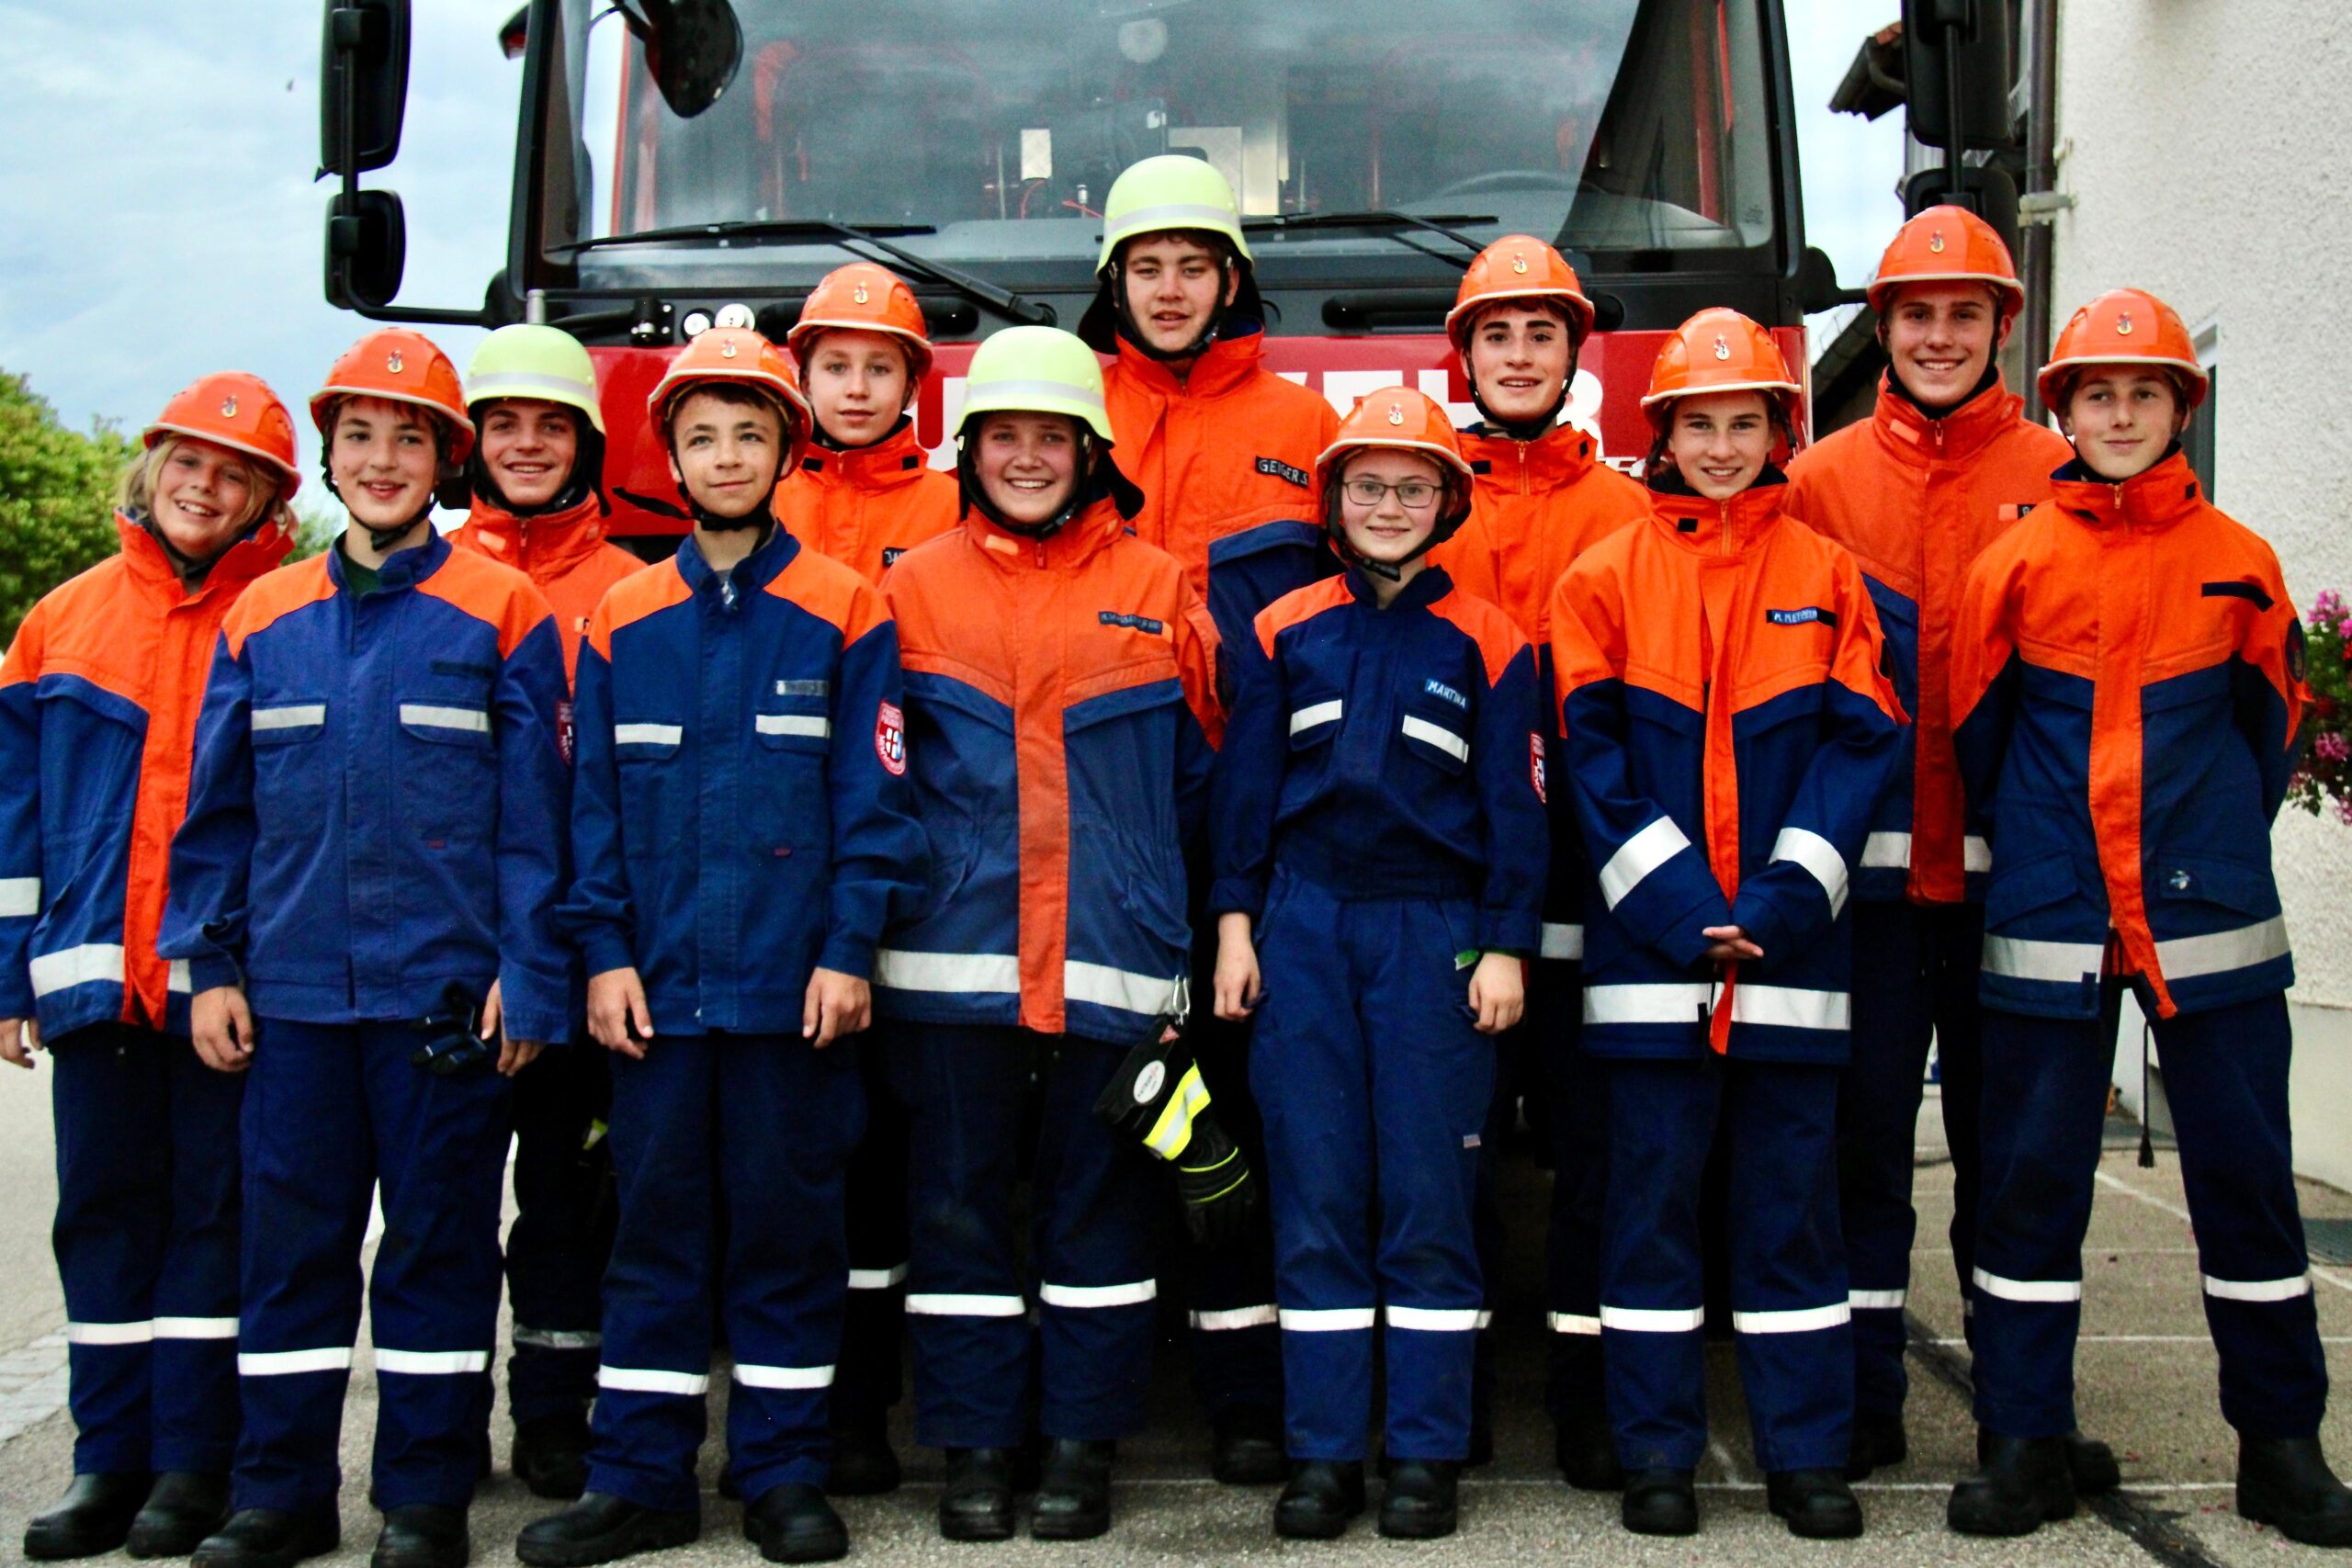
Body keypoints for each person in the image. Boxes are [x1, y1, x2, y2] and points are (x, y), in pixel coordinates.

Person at [161, 329, 573, 1568]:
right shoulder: (262, 610)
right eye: (360, 436)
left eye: (410, 438)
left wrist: (528, 972)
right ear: (330, 456)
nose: (383, 458)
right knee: (289, 1251)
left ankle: (425, 1497)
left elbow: (534, 823)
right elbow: (217, 816)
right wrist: (211, 965)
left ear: (448, 461)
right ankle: (279, 1494)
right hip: (290, 999)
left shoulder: (502, 607)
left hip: (442, 1000)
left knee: (439, 1248)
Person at [1947, 289, 2352, 1545]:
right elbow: (1978, 734)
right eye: (2098, 393)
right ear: (2061, 409)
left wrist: (2200, 849)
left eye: (2147, 392)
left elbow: (2271, 729)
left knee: (2248, 1190)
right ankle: (2023, 1443)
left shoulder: (2238, 560)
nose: (2121, 412)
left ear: (2185, 406)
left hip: (2208, 918)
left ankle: (2282, 1452)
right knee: (2029, 1190)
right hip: (2052, 913)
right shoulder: (2012, 564)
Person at [516, 327, 925, 1567]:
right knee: (652, 1229)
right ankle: (640, 1476)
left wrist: (849, 949)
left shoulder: (848, 610)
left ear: (785, 447)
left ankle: (783, 1471)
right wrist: (601, 955)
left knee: (788, 1230)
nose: (728, 453)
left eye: (751, 431)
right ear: (672, 459)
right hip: (655, 998)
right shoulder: (620, 616)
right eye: (703, 435)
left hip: (794, 996)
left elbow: (875, 802)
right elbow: (588, 815)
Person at [1779, 206, 2120, 1488]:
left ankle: (2023, 1418)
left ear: (2001, 326)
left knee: (2017, 1163)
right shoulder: (1816, 482)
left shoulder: (2063, 472)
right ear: (1882, 327)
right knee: (1857, 1152)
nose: (1936, 335)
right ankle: (1866, 1404)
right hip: (1858, 894)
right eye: (1914, 314)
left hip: (2017, 894)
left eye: (1961, 314)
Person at [1550, 309, 1904, 1540]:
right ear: (1663, 433)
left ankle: (1805, 1452)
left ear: (1776, 431)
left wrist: (1780, 902)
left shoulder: (1828, 575)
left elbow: (1861, 753)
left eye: (1742, 421)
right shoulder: (1600, 575)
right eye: (1697, 422)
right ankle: (1656, 1450)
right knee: (1649, 1212)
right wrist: (1687, 910)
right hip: (1656, 967)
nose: (1719, 443)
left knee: (1789, 1213)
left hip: (1790, 963)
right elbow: (1588, 765)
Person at [871, 326, 1224, 1542]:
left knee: (1101, 1216)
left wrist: (1174, 939)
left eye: (1051, 436)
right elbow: (883, 782)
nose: (1029, 457)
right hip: (949, 966)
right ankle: (977, 1446)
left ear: (1093, 450)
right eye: (1005, 436)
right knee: (959, 1212)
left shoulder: (1161, 585)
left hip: (1113, 964)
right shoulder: (910, 584)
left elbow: (1198, 786)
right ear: (970, 451)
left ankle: (1079, 1447)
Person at [1211, 388, 1546, 1541]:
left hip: (1434, 934)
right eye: (1368, 486)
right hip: (1300, 930)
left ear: (1448, 501)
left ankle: (1422, 1454)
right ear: (1334, 500)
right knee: (1312, 1197)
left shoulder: (1493, 641)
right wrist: (1235, 925)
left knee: (1427, 1197)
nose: (1390, 505)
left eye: (1413, 487)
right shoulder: (1280, 628)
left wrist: (1505, 941)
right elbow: (1242, 797)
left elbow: (1517, 810)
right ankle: (1321, 1457)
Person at [1, 376, 300, 1562]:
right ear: (154, 462)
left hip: (215, 986)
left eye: (235, 472)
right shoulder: (58, 623)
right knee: (104, 1222)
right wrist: (5, 977)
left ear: (267, 499)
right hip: (87, 982)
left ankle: (191, 1464)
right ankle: (104, 1463)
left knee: (212, 1226)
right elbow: (13, 821)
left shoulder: (272, 617)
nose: (205, 485)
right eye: (192, 460)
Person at [1083, 151, 1338, 1485]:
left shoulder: (1305, 425)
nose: (1170, 289)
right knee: (1115, 1109)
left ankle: (1249, 1392)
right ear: (1113, 280)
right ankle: (1099, 1396)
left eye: (1194, 265)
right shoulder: (1074, 413)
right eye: (1147, 266)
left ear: (1232, 277)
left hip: (1260, 824)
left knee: (1246, 1110)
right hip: (1111, 824)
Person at [1432, 236, 1648, 1484]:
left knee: (1590, 1151)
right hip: (1452, 881)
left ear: (1577, 356)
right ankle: (1446, 1403)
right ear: (1463, 354)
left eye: (1543, 335)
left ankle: (1587, 1400)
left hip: (1589, 877)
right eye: (1498, 334)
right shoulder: (1410, 491)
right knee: (1447, 1152)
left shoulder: (1625, 508)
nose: (1520, 356)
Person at [448, 322, 642, 1503]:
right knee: (445, 1210)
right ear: (471, 443)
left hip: (584, 956)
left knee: (573, 1207)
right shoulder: (436, 577)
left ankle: (559, 1416)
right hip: (455, 957)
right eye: (504, 424)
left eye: (550, 425)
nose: (526, 445)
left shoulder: (634, 588)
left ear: (588, 443)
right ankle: (439, 1420)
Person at [776, 262, 959, 1494]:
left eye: (876, 365)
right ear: (803, 376)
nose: (853, 384)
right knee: (794, 1159)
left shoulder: (956, 504)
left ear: (912, 383)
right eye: (834, 363)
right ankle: (800, 1397)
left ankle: (863, 1412)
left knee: (894, 1162)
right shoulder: (752, 495)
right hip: (774, 884)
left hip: (917, 879)